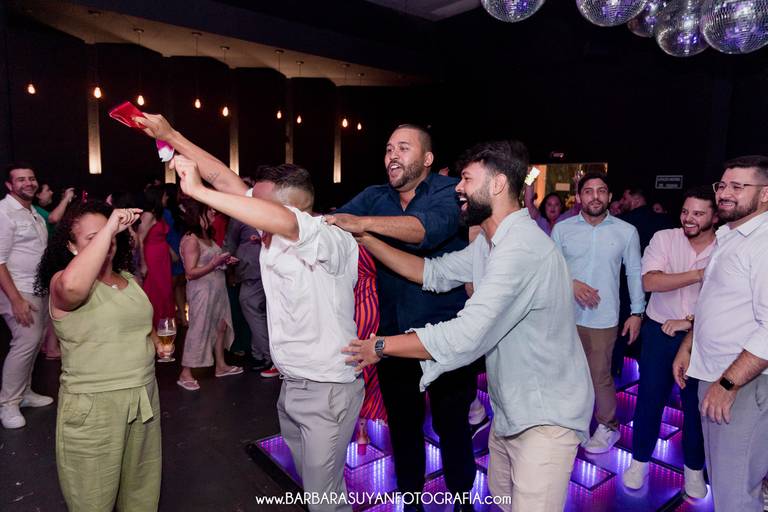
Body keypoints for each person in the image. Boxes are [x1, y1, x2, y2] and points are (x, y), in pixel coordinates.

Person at [343, 140, 594, 512]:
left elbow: (465, 334)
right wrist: (366, 238)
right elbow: (431, 272)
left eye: (466, 179)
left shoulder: (522, 249)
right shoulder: (490, 244)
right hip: (511, 412)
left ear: (497, 184)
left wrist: (380, 346)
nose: (457, 188)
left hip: (545, 419)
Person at [137, 113, 363, 512]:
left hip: (327, 388)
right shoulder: (274, 231)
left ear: (291, 206)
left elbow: (281, 219)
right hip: (294, 385)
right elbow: (224, 177)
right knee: (320, 490)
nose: (247, 209)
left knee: (323, 500)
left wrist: (197, 191)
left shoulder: (330, 238)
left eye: (256, 204)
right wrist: (172, 134)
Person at [326, 125, 478, 510]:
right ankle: (411, 501)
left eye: (403, 148)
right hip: (392, 339)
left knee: (452, 426)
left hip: (446, 338)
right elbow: (331, 224)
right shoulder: (375, 196)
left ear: (427, 159)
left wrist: (362, 224)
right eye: (388, 148)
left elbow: (425, 231)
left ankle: (462, 500)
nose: (392, 154)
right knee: (404, 428)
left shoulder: (449, 192)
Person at [35, 201, 164, 511]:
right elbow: (72, 287)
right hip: (94, 406)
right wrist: (109, 228)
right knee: (92, 501)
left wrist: (156, 343)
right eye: (93, 237)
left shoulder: (128, 279)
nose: (107, 241)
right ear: (71, 246)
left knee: (142, 496)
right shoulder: (62, 282)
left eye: (110, 234)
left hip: (143, 398)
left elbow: (142, 324)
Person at [673, 155, 768, 511]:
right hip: (714, 375)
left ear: (765, 194)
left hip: (742, 385)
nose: (725, 193)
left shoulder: (763, 243)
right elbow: (715, 302)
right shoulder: (730, 235)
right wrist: (689, 345)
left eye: (738, 186)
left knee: (734, 494)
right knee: (726, 482)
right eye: (722, 185)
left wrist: (728, 384)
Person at [622, 186, 716, 497]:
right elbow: (650, 281)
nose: (689, 218)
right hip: (659, 332)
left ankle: (693, 469)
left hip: (703, 336)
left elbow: (725, 298)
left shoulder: (725, 245)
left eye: (699, 213)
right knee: (649, 398)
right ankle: (639, 461)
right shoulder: (665, 237)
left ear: (715, 217)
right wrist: (700, 274)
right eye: (686, 211)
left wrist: (689, 322)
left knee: (695, 407)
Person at [552, 171, 645, 453]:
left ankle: (608, 426)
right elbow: (549, 270)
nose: (595, 196)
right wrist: (571, 284)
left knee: (600, 375)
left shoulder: (626, 231)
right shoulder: (562, 229)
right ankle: (573, 423)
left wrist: (637, 312)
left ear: (610, 196)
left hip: (603, 318)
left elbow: (634, 273)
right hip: (565, 315)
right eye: (589, 191)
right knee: (566, 374)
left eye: (601, 191)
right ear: (579, 197)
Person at [0, 163, 53, 429]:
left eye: (31, 178)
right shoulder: (4, 212)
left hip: (37, 288)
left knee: (34, 342)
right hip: (18, 289)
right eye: (21, 179)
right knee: (25, 343)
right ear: (10, 185)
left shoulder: (33, 213)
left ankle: (25, 393)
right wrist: (15, 300)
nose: (28, 183)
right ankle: (8, 403)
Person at [177, 199, 242, 390]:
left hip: (217, 288)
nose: (213, 212)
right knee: (199, 328)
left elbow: (209, 261)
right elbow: (190, 272)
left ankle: (220, 366)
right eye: (209, 210)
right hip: (202, 291)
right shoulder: (191, 239)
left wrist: (224, 261)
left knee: (221, 325)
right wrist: (214, 264)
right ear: (198, 214)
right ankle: (185, 373)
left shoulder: (206, 235)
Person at [223, 173, 272, 376]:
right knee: (259, 311)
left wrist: (225, 261)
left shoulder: (242, 212)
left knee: (251, 308)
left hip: (253, 269)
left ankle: (268, 356)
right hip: (263, 268)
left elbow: (230, 242)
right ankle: (259, 353)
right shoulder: (267, 209)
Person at [138, 185, 174, 325]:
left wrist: (171, 252)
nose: (167, 198)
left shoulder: (159, 214)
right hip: (153, 258)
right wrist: (143, 263)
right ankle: (156, 327)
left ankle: (166, 327)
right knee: (157, 292)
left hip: (162, 259)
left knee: (165, 291)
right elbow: (140, 239)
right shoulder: (148, 215)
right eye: (164, 196)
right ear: (158, 198)